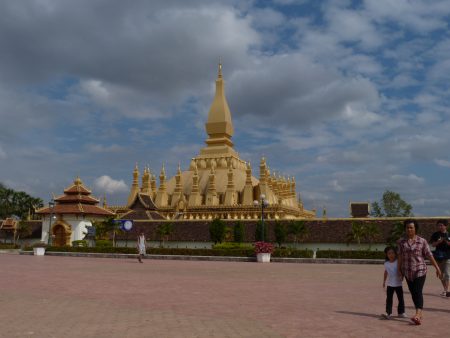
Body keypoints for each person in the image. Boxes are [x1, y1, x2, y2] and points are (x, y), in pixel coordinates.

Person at [397, 219, 442, 325]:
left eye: (411, 227)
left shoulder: (422, 241)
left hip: (420, 269)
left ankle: (418, 314)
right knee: (413, 293)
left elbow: (429, 255)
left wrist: (437, 268)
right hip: (407, 271)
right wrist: (399, 269)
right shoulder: (401, 242)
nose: (409, 229)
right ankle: (419, 313)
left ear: (415, 229)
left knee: (417, 291)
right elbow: (399, 256)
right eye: (407, 227)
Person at [381, 246, 406, 319]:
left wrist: (402, 276)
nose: (391, 255)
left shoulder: (398, 262)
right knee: (389, 299)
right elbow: (385, 272)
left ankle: (401, 312)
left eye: (392, 253)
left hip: (398, 284)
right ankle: (388, 313)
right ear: (386, 255)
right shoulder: (386, 263)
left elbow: (401, 270)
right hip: (390, 284)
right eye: (389, 253)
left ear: (395, 254)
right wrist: (384, 281)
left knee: (400, 299)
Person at [430, 219, 450, 297]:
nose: (440, 227)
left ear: (446, 226)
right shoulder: (435, 234)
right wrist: (439, 241)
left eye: (442, 225)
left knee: (447, 274)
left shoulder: (449, 234)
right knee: (441, 274)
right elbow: (433, 245)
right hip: (439, 257)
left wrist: (447, 243)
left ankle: (446, 290)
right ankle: (445, 289)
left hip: (448, 256)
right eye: (438, 225)